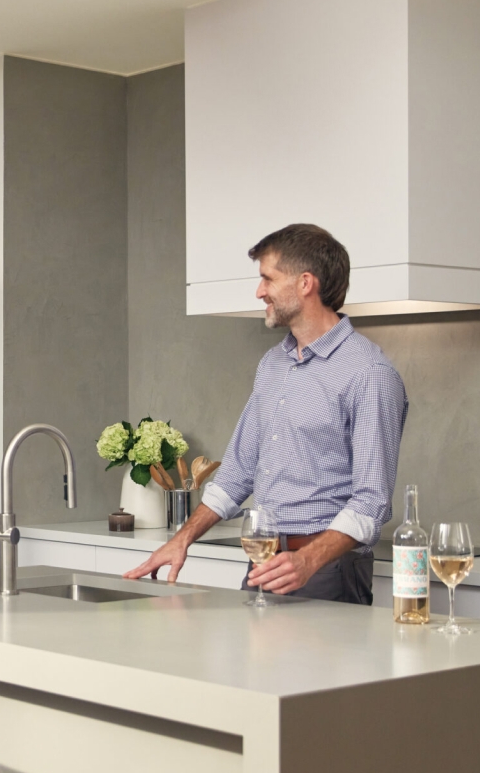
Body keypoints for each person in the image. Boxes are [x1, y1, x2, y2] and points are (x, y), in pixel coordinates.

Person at [125, 224, 408, 603]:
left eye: (267, 278)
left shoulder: (369, 374)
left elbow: (371, 500)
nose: (259, 292)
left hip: (328, 569)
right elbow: (238, 472)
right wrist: (181, 541)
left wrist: (307, 561)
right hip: (263, 558)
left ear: (306, 283)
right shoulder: (273, 364)